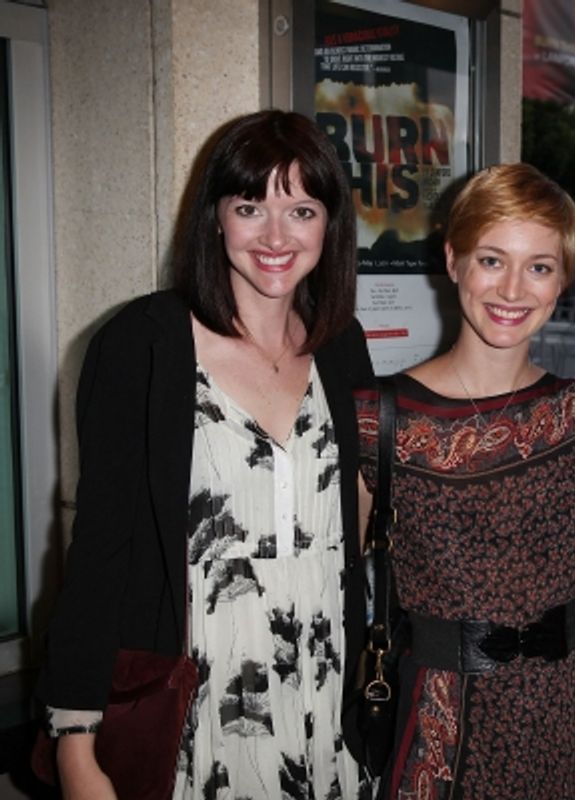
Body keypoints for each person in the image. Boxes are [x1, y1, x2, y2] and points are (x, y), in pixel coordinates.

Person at [36, 110, 375, 798]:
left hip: (327, 700)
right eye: (250, 207)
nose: (276, 236)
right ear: (215, 217)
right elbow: (100, 549)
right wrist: (76, 744)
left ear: (329, 226)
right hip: (202, 710)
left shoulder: (342, 347)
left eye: (302, 209)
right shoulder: (145, 345)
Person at [353, 163, 575, 799]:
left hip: (567, 717)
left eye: (539, 266)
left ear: (563, 277)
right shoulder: (377, 418)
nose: (513, 288)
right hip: (441, 721)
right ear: (453, 261)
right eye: (491, 259)